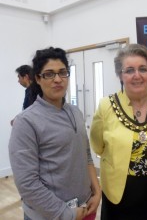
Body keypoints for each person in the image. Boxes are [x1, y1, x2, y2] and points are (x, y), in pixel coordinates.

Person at [8, 47, 101, 220]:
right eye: (49, 74)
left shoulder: (75, 112)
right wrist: (66, 214)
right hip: (51, 215)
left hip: (85, 208)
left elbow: (86, 155)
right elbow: (27, 184)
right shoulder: (26, 122)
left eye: (62, 72)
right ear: (38, 78)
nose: (57, 79)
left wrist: (97, 191)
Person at [90, 43, 147, 220]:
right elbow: (97, 145)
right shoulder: (106, 106)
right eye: (129, 70)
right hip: (121, 192)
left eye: (142, 69)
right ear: (120, 75)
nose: (136, 76)